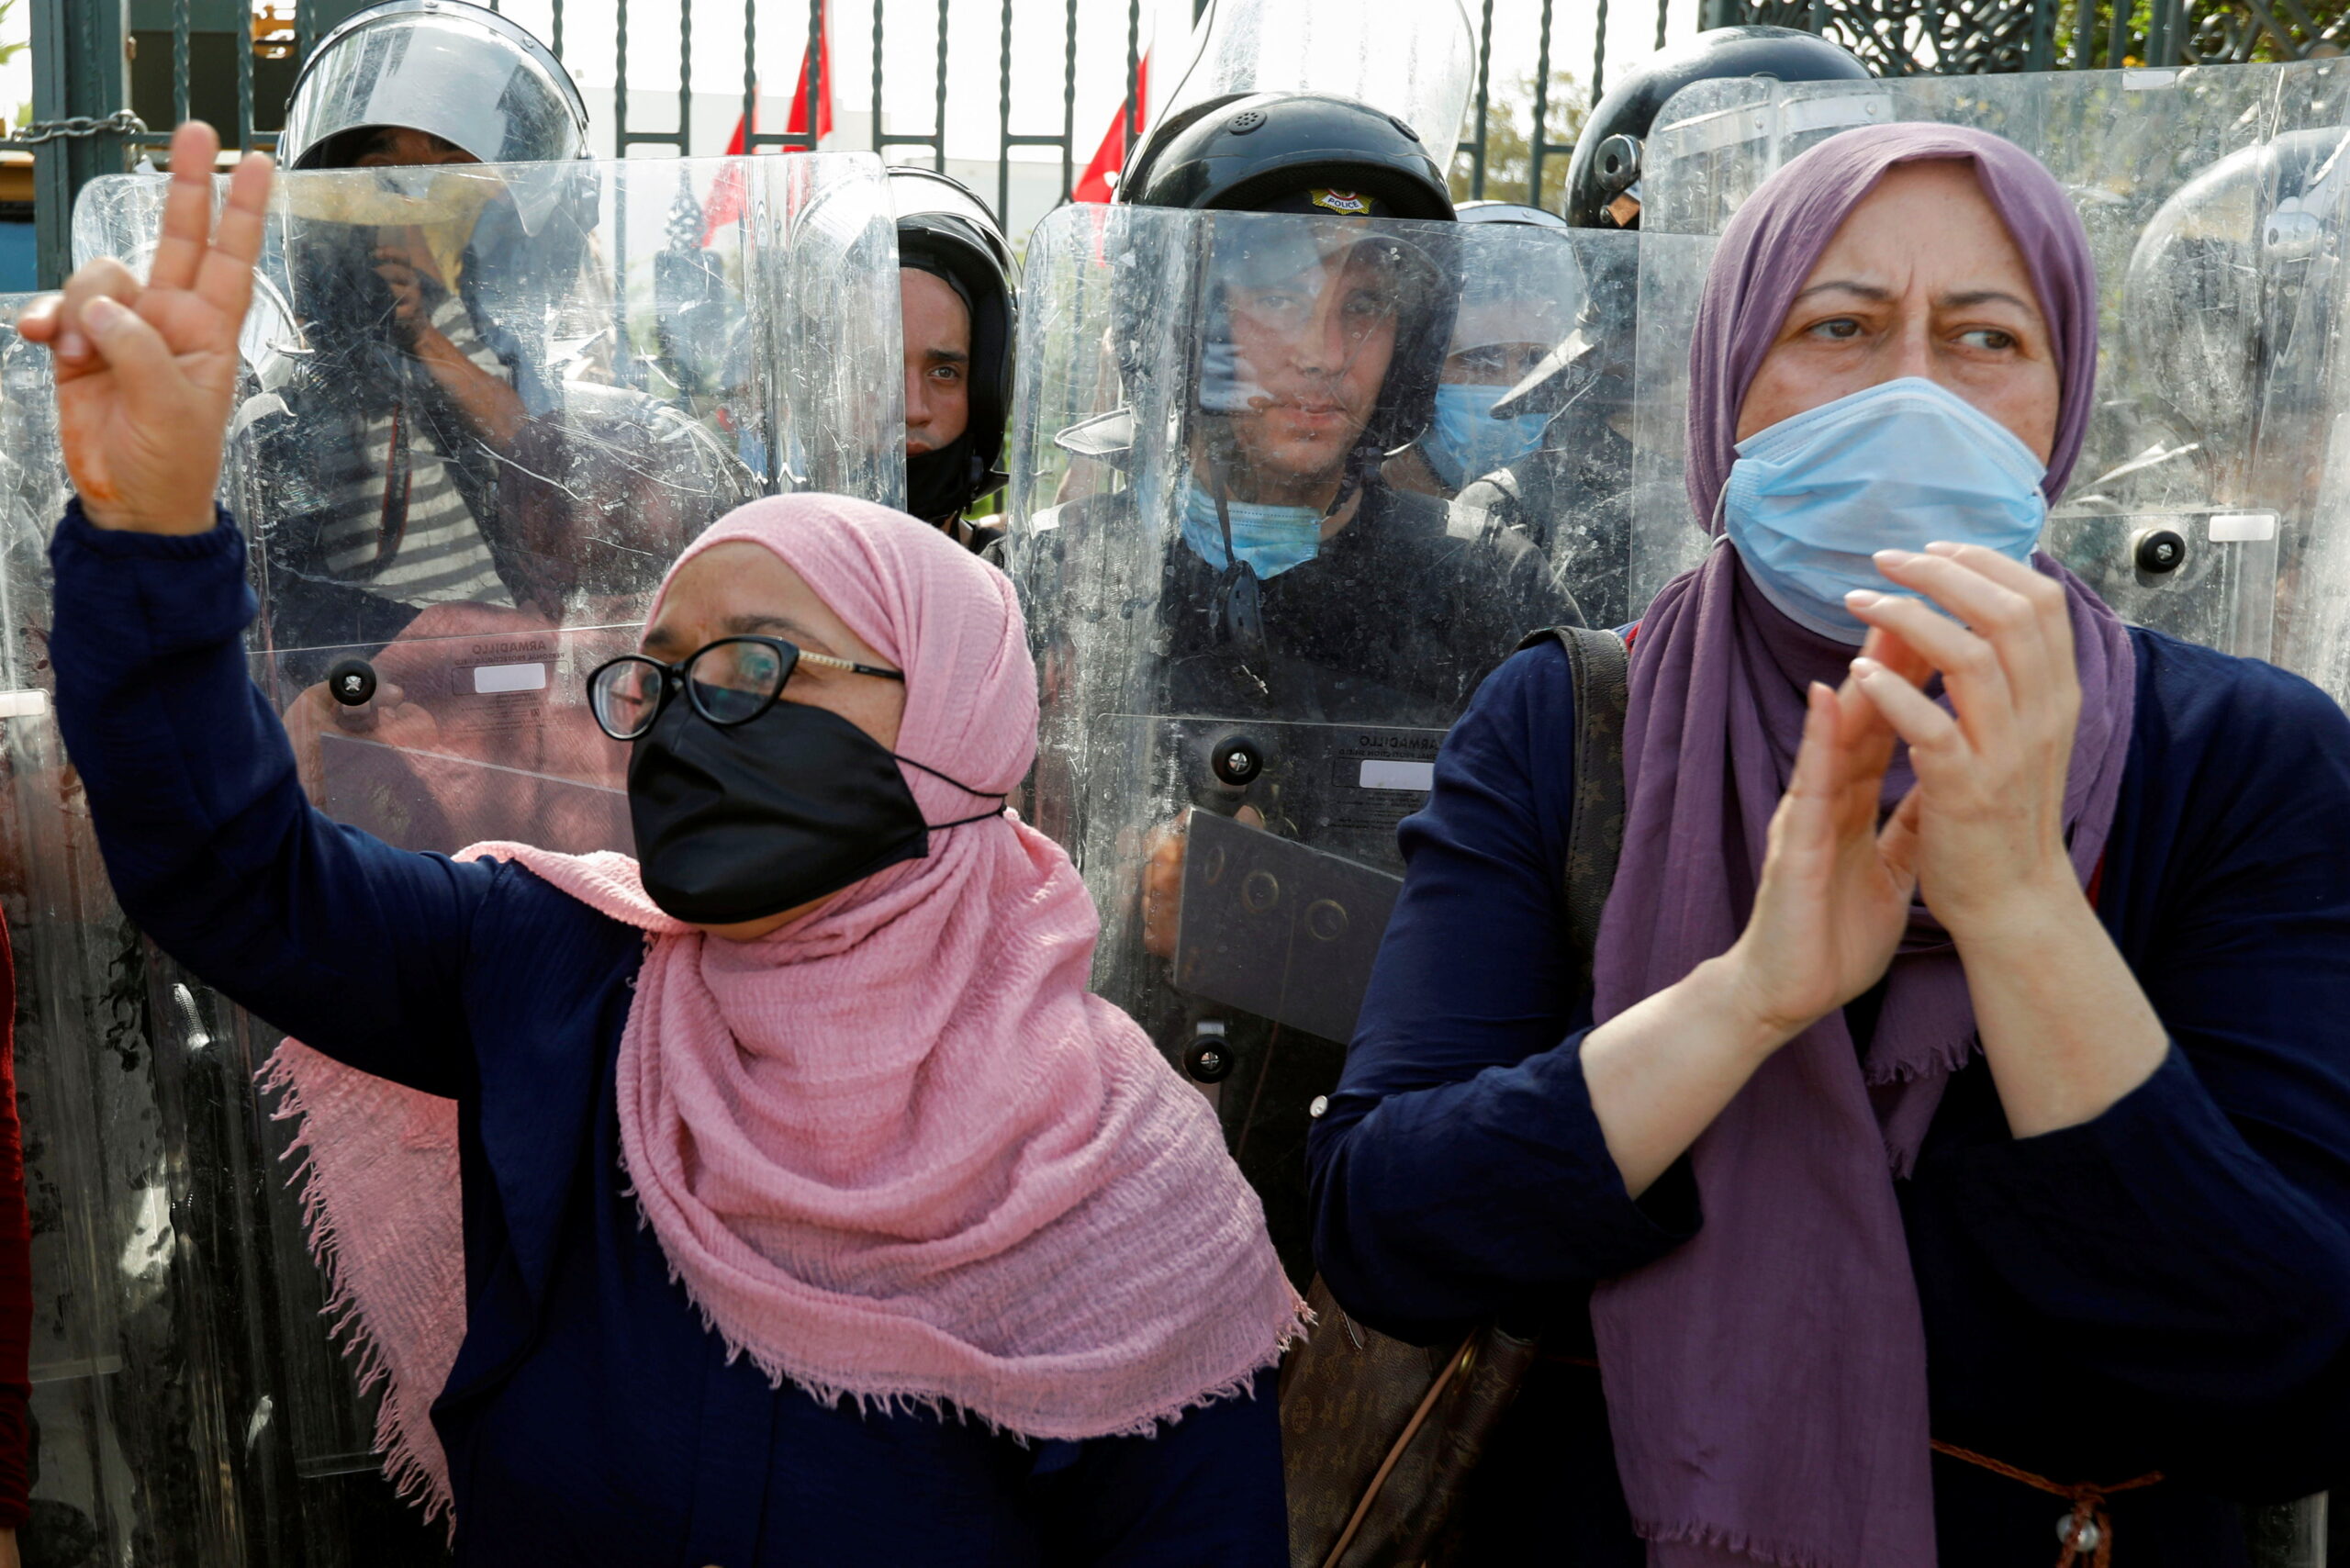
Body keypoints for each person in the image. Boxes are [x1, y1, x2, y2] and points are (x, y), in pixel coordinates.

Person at [28, 120, 1304, 1565]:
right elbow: (231, 869)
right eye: (663, 675)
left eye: (759, 666)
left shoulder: (1119, 1178)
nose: (691, 720)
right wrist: (153, 535)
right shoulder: (559, 976)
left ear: (952, 713)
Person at [1309, 122, 2350, 1566]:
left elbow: (2294, 1385)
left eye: (1986, 337)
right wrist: (1746, 999)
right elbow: (1384, 1233)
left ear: (2063, 406)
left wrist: (2025, 911)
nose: (1914, 389)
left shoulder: (2237, 757)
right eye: (1842, 325)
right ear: (1729, 378)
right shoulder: (1569, 725)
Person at [1018, 87, 1574, 1284]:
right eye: (1273, 294)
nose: (1324, 349)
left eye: (1366, 301)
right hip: (1072, 1238)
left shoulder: (1496, 603)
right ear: (1175, 314)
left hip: (1368, 1264)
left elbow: (1576, 970)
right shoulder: (1044, 587)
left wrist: (1288, 921)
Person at [892, 167, 1017, 550]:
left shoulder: (1023, 587)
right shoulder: (750, 583)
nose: (913, 410)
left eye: (944, 372)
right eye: (880, 374)